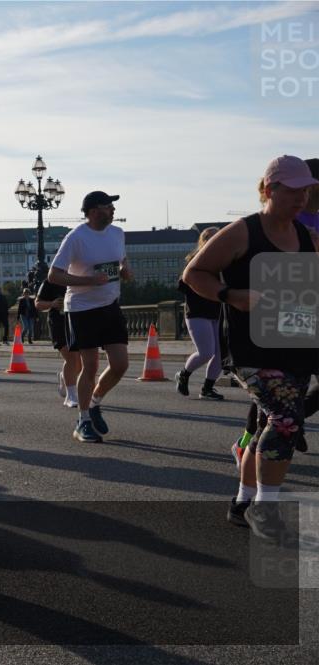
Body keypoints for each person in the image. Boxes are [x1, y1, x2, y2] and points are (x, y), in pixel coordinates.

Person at [184, 155, 318, 541]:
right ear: (268, 189)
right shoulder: (243, 232)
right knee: (286, 420)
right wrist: (230, 294)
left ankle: (242, 502)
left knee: (269, 424)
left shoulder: (306, 238)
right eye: (292, 189)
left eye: (305, 189)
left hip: (295, 341)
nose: (301, 196)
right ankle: (265, 507)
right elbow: (194, 274)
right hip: (251, 349)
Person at [48, 191, 132, 444]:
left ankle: (94, 402)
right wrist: (88, 281)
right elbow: (54, 275)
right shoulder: (76, 238)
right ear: (94, 211)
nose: (113, 210)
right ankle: (82, 420)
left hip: (110, 305)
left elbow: (122, 263)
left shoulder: (117, 233)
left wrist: (125, 270)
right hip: (82, 308)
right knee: (91, 366)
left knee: (120, 364)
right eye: (109, 206)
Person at [176, 228, 224, 401]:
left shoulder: (224, 262)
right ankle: (184, 374)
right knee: (206, 352)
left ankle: (207, 388)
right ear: (204, 241)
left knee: (220, 353)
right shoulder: (194, 261)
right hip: (197, 313)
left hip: (217, 313)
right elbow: (182, 285)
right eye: (212, 239)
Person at [36, 278, 81, 408]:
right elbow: (37, 304)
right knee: (71, 358)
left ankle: (63, 376)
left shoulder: (78, 277)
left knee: (79, 365)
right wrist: (52, 303)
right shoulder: (49, 282)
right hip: (58, 323)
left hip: (76, 322)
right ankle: (70, 396)